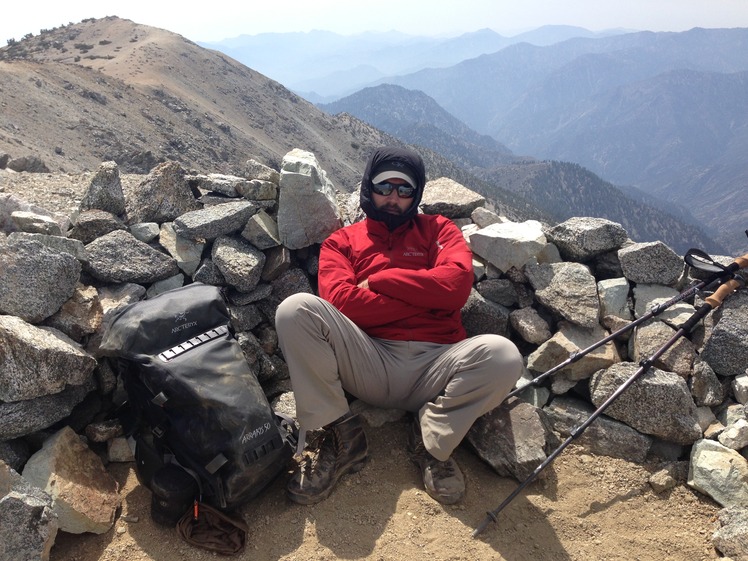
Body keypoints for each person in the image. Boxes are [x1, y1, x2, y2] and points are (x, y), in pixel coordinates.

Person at [275, 145, 523, 506]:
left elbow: (454, 289)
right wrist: (424, 292)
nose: (393, 197)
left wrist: (380, 282)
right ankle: (341, 435)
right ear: (368, 188)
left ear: (416, 193)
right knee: (295, 310)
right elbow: (342, 303)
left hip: (439, 366)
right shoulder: (341, 242)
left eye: (404, 189)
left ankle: (432, 442)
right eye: (384, 187)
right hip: (370, 361)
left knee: (504, 356)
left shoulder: (439, 230)